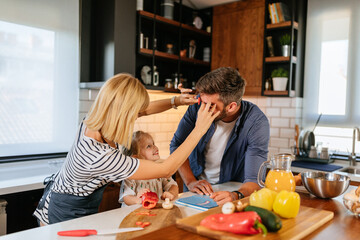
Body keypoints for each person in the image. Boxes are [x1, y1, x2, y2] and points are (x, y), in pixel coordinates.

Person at [33, 73, 219, 225]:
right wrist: (200, 128)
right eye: (133, 112)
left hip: (70, 199)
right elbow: (166, 169)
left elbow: (143, 110)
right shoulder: (100, 156)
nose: (137, 115)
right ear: (123, 113)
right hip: (64, 212)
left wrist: (176, 100)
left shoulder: (95, 120)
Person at [170, 67, 270, 205]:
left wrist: (236, 196)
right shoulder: (198, 105)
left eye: (210, 105)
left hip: (232, 192)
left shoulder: (257, 122)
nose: (203, 109)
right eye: (202, 102)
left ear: (231, 107)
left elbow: (254, 180)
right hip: (195, 190)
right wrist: (191, 181)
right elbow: (177, 144)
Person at [119, 131, 178, 207]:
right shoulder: (131, 175)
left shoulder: (159, 170)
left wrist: (171, 193)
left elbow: (173, 185)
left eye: (153, 144)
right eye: (149, 146)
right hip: (133, 214)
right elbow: (126, 197)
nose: (155, 147)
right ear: (136, 158)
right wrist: (138, 199)